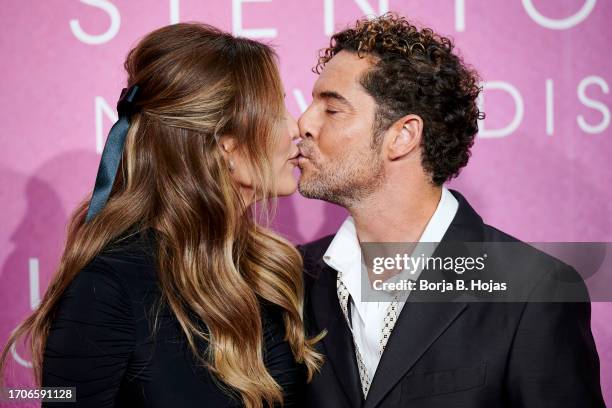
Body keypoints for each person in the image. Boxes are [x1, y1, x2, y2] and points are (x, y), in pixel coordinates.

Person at [0, 23, 322, 408]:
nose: (296, 127)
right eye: (275, 111)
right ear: (226, 145)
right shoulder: (108, 287)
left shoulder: (272, 269)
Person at [296, 13, 605, 408]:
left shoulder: (533, 291)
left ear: (403, 136)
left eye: (332, 109)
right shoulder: (294, 278)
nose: (303, 122)